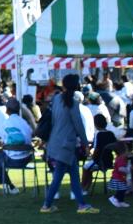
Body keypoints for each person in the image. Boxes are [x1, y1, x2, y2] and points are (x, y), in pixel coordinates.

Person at [40, 73, 99, 214]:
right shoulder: (73, 102)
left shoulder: (56, 99)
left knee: (68, 176)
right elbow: (78, 125)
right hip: (67, 145)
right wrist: (86, 144)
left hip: (56, 142)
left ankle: (77, 204)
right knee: (62, 177)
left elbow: (54, 121)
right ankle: (49, 205)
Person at [0, 104, 35, 195]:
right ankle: (10, 187)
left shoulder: (7, 123)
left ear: (7, 110)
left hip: (14, 159)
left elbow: (5, 142)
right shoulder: (24, 122)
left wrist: (0, 145)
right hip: (27, 157)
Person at [107, 141, 133, 208]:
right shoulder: (121, 159)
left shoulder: (122, 158)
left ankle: (121, 201)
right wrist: (128, 170)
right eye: (127, 150)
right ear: (123, 151)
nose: (128, 152)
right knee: (122, 190)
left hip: (120, 178)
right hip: (118, 178)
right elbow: (120, 168)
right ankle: (115, 198)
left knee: (123, 189)